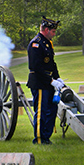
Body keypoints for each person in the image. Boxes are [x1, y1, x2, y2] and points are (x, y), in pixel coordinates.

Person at [26, 16, 64, 145]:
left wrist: (58, 77)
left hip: (48, 82)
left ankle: (46, 137)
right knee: (41, 112)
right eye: (53, 32)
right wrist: (51, 81)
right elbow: (35, 67)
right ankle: (39, 139)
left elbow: (52, 64)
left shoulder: (47, 43)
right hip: (40, 82)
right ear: (46, 30)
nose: (54, 34)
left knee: (51, 111)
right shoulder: (36, 44)